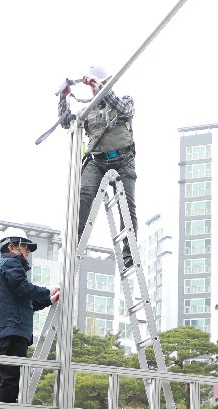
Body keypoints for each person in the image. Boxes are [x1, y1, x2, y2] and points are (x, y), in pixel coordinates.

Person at [58, 66, 139, 266]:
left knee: (127, 206)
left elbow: (122, 108)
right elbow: (66, 122)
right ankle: (74, 244)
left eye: (101, 84)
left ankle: (129, 253)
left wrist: (100, 87)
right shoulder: (88, 110)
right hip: (97, 160)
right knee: (84, 195)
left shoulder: (124, 101)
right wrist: (63, 98)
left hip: (123, 160)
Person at [0, 228, 60, 409]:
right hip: (13, 329)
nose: (27, 252)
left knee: (3, 377)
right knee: (10, 377)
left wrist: (48, 299)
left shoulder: (5, 269)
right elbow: (23, 288)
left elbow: (25, 301)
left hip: (6, 329)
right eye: (25, 247)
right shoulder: (10, 264)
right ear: (11, 247)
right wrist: (48, 291)